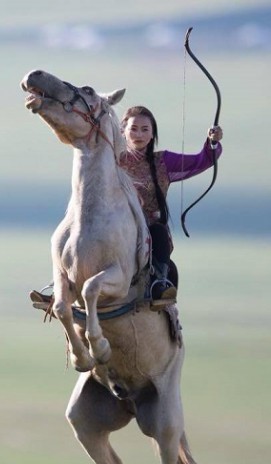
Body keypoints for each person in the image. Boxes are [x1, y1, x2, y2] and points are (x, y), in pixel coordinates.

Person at [30, 104, 222, 310]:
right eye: (133, 128)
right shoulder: (111, 159)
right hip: (112, 225)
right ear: (123, 132)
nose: (139, 134)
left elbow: (201, 161)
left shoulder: (164, 161)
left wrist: (212, 143)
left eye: (145, 129)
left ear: (152, 134)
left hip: (147, 228)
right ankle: (62, 287)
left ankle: (159, 283)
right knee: (74, 237)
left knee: (159, 234)